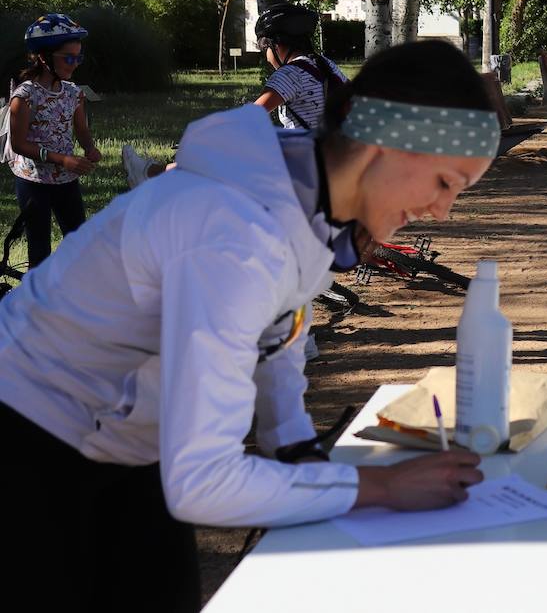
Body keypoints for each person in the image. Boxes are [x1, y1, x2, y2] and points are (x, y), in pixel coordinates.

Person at [0, 40, 497, 610]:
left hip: (123, 440)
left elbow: (278, 335)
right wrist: (380, 487)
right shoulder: (236, 232)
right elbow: (202, 483)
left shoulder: (309, 197)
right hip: (25, 439)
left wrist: (298, 450)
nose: (443, 212)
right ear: (382, 147)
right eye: (445, 182)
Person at [122, 2, 347, 186]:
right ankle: (151, 174)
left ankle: (148, 175)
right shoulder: (326, 65)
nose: (265, 55)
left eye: (263, 48)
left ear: (276, 45)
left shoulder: (290, 74)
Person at [7, 13, 102, 267]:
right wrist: (63, 160)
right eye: (69, 58)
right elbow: (18, 145)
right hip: (33, 181)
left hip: (65, 180)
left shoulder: (74, 93)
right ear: (43, 57)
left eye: (78, 57)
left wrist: (90, 148)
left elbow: (80, 129)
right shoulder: (25, 96)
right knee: (39, 248)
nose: (75, 64)